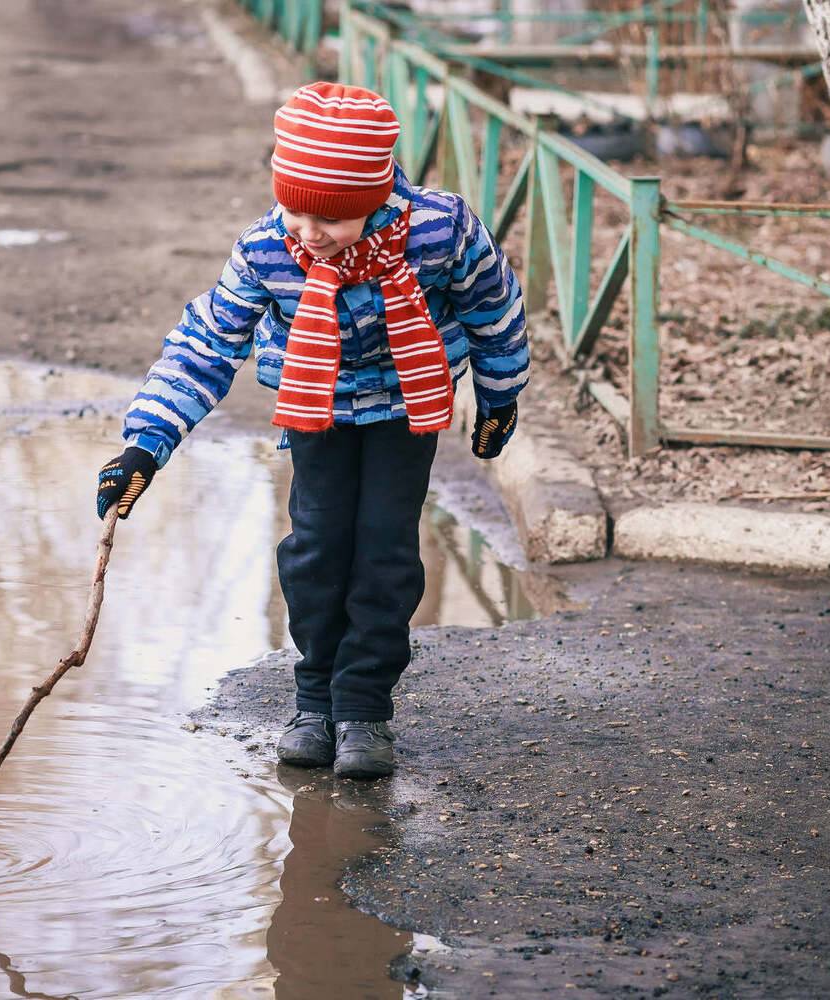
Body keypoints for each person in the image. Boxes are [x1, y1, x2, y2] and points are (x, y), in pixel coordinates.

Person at [96, 82, 528, 779]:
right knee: (317, 549)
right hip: (317, 410)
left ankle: (362, 709)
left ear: (373, 196)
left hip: (405, 412)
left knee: (384, 552)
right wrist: (146, 442)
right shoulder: (269, 248)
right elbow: (206, 343)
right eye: (294, 208)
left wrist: (500, 394)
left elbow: (493, 304)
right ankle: (313, 701)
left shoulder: (438, 231)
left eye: (329, 217)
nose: (307, 231)